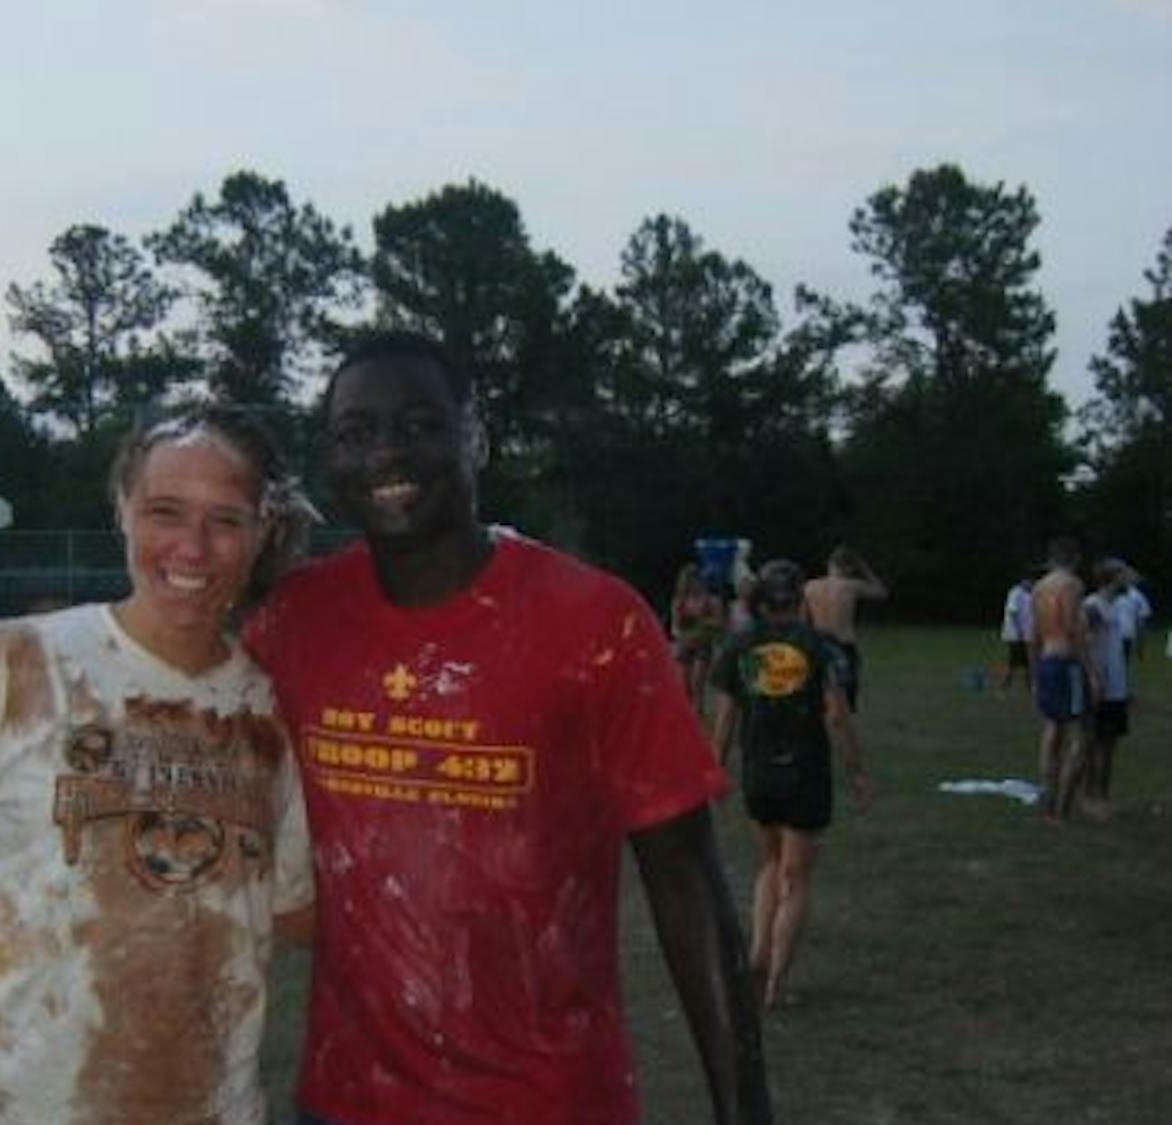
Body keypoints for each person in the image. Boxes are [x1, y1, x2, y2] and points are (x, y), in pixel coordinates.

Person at [245, 332, 771, 1125]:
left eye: (420, 424)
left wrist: (746, 1111)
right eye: (356, 433)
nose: (386, 453)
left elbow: (687, 881)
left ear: (475, 435)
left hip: (547, 1103)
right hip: (342, 1101)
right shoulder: (294, 619)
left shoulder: (596, 623)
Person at [0, 410, 315, 1125]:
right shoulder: (16, 660)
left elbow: (292, 913)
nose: (192, 547)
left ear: (261, 531)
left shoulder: (270, 714)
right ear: (122, 512)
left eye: (225, 519)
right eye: (165, 511)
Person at [709, 559, 870, 1012]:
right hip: (805, 771)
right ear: (800, 599)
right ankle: (776, 981)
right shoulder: (819, 648)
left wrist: (716, 771)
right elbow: (836, 716)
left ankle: (757, 956)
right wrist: (856, 770)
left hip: (758, 771)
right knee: (796, 879)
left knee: (770, 863)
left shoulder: (738, 646)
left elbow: (723, 720)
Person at [1029, 536, 1098, 824]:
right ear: (1075, 558)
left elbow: (1033, 634)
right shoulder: (1071, 584)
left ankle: (1048, 806)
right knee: (1084, 734)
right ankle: (1062, 807)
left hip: (1046, 659)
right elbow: (1072, 627)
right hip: (1066, 662)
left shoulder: (1038, 587)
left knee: (1052, 732)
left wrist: (1034, 673)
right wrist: (1091, 671)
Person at [802, 545, 886, 711]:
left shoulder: (810, 586)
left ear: (829, 564)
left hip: (818, 644)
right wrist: (864, 568)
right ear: (849, 567)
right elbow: (881, 592)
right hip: (843, 643)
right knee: (845, 698)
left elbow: (802, 620)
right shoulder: (851, 585)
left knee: (818, 694)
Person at [1082, 558, 1131, 820]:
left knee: (1109, 746)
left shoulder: (1115, 606)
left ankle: (1103, 796)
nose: (1130, 578)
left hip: (1117, 687)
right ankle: (1089, 797)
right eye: (1125, 574)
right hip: (1100, 687)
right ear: (1113, 577)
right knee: (1094, 745)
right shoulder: (1092, 606)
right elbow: (1084, 646)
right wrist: (1093, 678)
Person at [670, 560, 726, 715]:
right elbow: (674, 627)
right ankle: (687, 714)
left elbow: (720, 623)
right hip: (684, 643)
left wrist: (701, 621)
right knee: (683, 684)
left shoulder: (710, 599)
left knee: (697, 684)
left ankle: (696, 715)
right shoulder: (679, 601)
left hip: (702, 643)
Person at [996, 574, 1035, 695]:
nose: (1032, 584)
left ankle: (1030, 688)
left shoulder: (1029, 594)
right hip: (1016, 636)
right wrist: (1019, 632)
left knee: (1028, 663)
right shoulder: (1015, 593)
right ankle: (1002, 688)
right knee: (1013, 663)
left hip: (1026, 635)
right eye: (1030, 581)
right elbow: (1013, 612)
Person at [1112, 569, 1153, 663]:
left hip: (1124, 634)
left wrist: (1140, 644)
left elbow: (1141, 621)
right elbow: (1142, 621)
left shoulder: (1136, 596)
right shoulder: (1136, 596)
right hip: (1120, 634)